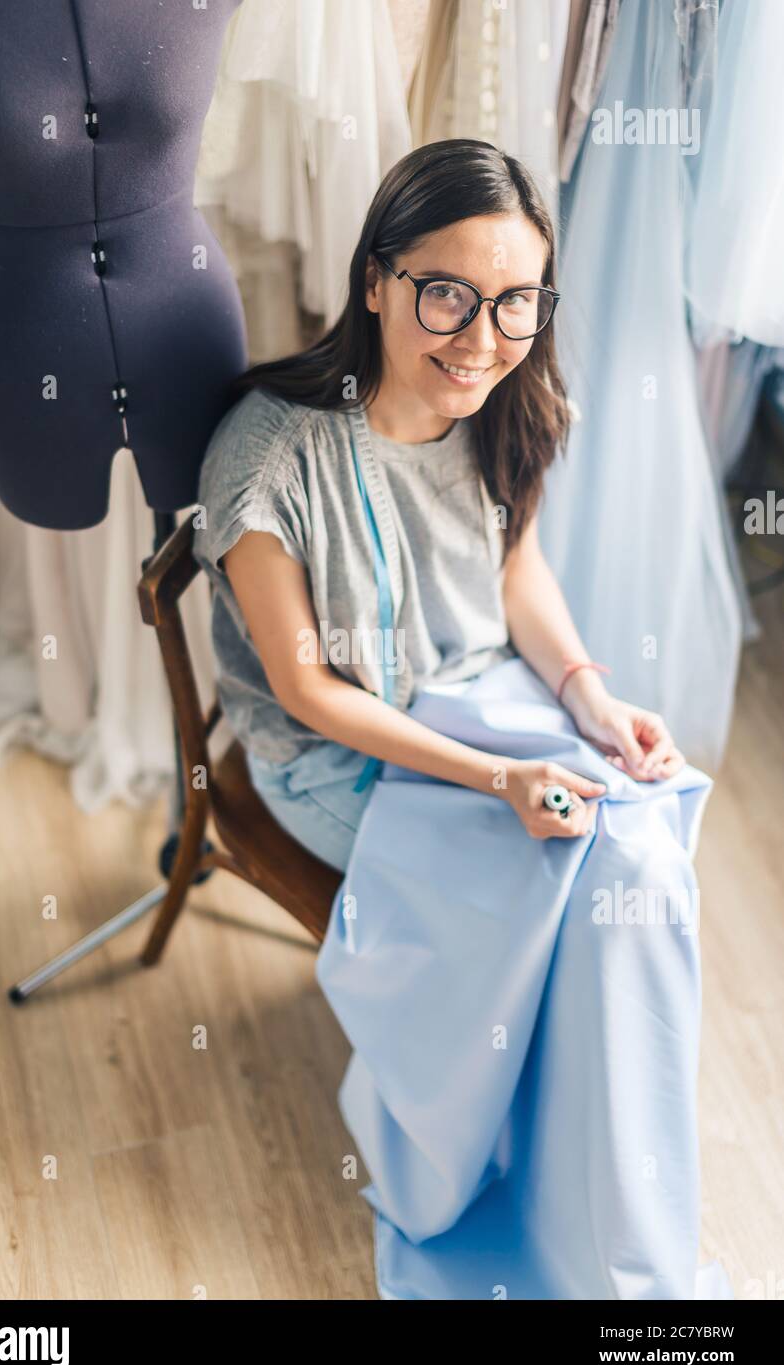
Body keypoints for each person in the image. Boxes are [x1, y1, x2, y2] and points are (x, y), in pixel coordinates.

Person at [194, 138, 683, 873]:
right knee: (557, 875)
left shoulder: (514, 410)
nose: (481, 342)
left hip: (481, 696)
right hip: (336, 756)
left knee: (646, 840)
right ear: (374, 283)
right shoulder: (268, 465)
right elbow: (307, 691)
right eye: (447, 293)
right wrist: (501, 779)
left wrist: (588, 698)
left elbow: (516, 573)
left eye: (515, 300)